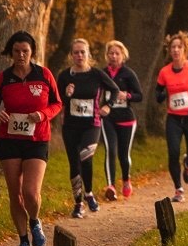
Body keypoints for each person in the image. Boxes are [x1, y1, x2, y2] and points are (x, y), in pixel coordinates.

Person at [0, 31, 61, 246]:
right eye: (16, 51)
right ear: (10, 52)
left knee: (30, 193)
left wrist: (43, 114)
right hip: (10, 140)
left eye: (25, 51)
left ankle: (34, 221)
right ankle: (23, 242)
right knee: (15, 194)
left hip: (37, 140)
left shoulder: (44, 75)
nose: (21, 55)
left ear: (32, 52)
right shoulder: (3, 78)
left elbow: (57, 103)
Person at [56, 39, 118, 219]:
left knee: (86, 155)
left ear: (88, 54)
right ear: (71, 55)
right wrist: (66, 95)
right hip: (70, 125)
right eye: (76, 52)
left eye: (83, 52)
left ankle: (89, 193)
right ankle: (78, 203)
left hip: (92, 124)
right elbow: (56, 100)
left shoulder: (96, 74)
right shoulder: (65, 76)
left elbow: (114, 90)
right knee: (74, 162)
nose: (79, 56)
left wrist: (108, 106)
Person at [155, 32, 188, 202]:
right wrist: (161, 95)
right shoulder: (164, 72)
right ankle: (178, 189)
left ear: (184, 49)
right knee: (173, 152)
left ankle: (187, 162)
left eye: (179, 47)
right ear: (169, 50)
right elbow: (158, 93)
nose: (176, 50)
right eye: (173, 47)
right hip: (174, 118)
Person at [101, 39, 143, 200]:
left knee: (123, 154)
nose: (113, 56)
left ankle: (126, 179)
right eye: (111, 53)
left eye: (117, 53)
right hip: (108, 117)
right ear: (107, 55)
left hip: (126, 119)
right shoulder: (102, 73)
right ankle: (111, 185)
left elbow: (140, 95)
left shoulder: (128, 74)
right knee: (110, 150)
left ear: (123, 56)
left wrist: (128, 95)